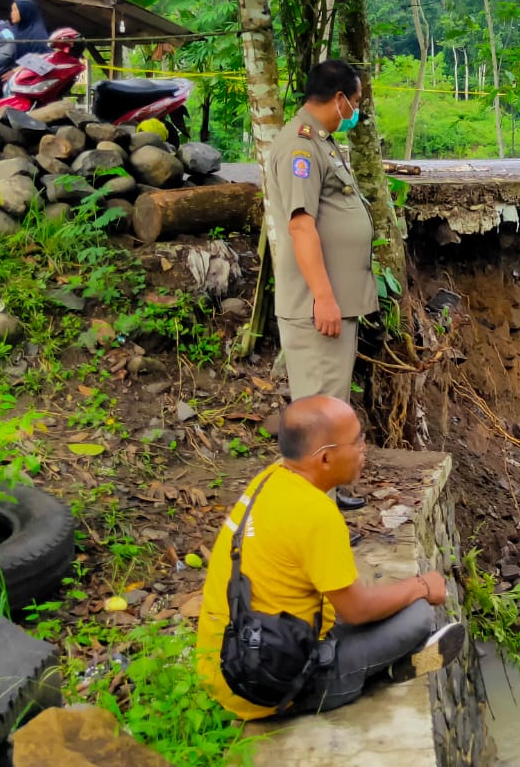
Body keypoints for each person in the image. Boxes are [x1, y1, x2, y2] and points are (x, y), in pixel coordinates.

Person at [195, 394, 464, 720]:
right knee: (417, 615)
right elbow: (355, 610)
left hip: (227, 664)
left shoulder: (270, 480)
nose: (364, 448)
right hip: (268, 688)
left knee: (379, 599)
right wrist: (423, 584)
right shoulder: (317, 514)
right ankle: (370, 677)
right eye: (357, 441)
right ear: (324, 460)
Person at [264, 59, 378, 508]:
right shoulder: (300, 147)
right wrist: (325, 298)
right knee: (316, 420)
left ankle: (325, 498)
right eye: (356, 102)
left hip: (333, 304)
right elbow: (300, 227)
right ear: (339, 99)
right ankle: (313, 515)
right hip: (318, 306)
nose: (356, 111)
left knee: (330, 408)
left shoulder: (321, 143)